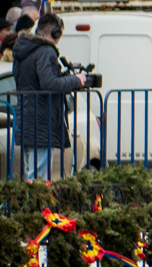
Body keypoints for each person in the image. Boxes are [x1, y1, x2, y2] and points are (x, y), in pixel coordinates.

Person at [10, 12, 99, 180]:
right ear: (55, 33)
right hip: (42, 121)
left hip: (27, 118)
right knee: (40, 177)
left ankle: (33, 197)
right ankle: (38, 199)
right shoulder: (45, 50)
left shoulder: (23, 49)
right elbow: (49, 83)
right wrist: (76, 80)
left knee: (31, 174)